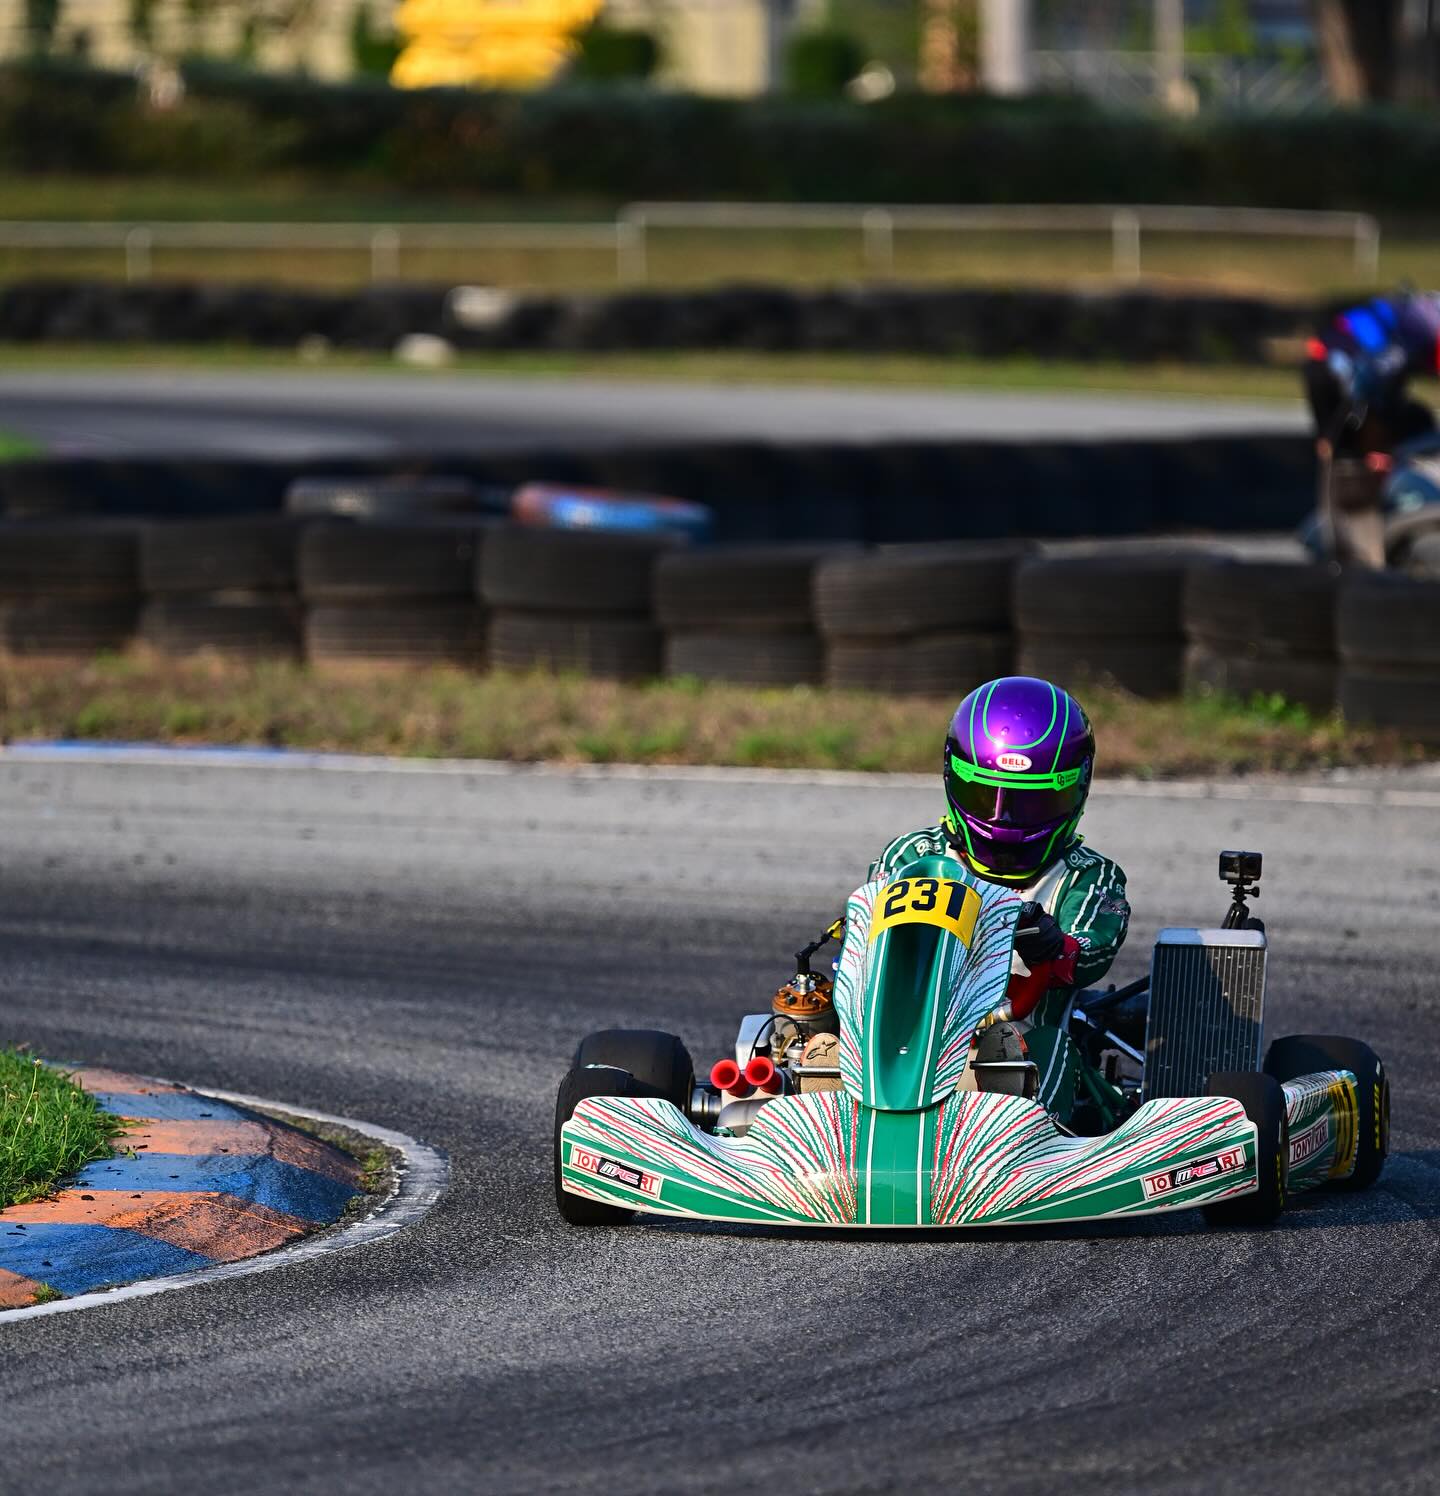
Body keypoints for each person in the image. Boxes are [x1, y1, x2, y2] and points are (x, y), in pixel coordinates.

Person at [867, 676, 1131, 1107]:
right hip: (898, 1043)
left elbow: (1091, 950)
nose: (1002, 818)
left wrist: (1055, 943)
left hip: (1014, 1053)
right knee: (818, 1037)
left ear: (1075, 788)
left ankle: (1034, 1148)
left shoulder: (1087, 877)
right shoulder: (912, 857)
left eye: (1030, 803)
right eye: (985, 793)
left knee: (1048, 1047)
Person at [1304, 289, 1440, 457]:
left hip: (1323, 362)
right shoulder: (1420, 328)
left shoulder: (1410, 312)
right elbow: (1375, 378)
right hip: (1338, 372)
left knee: (1338, 446)